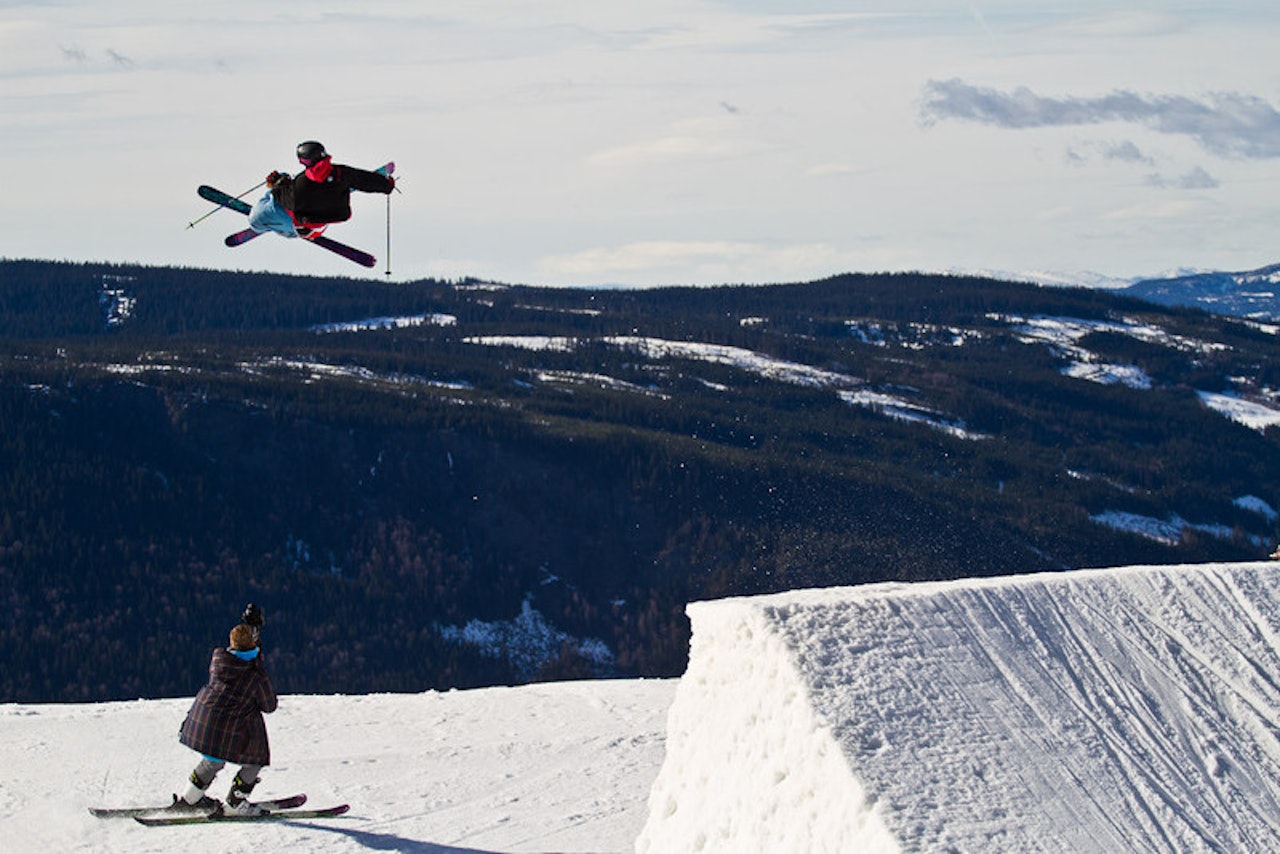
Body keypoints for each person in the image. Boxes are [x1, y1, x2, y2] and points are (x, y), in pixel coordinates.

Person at [174, 604, 276, 816]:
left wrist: (252, 629)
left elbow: (246, 652)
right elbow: (269, 706)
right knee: (254, 761)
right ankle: (235, 803)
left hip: (204, 719)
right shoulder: (254, 676)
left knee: (212, 759)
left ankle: (190, 799)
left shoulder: (221, 662)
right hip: (230, 728)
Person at [290, 140, 394, 234]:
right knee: (342, 185)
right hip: (338, 214)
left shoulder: (300, 181)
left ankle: (301, 230)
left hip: (310, 224)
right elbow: (363, 179)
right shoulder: (341, 173)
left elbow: (288, 201)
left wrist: (278, 186)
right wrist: (386, 185)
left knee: (283, 202)